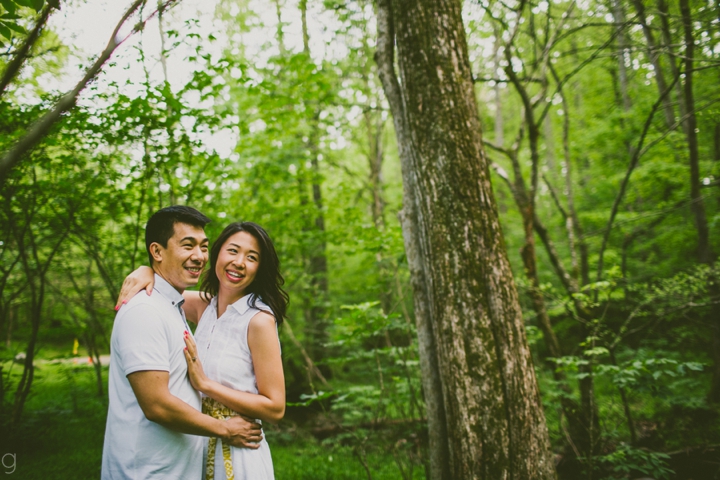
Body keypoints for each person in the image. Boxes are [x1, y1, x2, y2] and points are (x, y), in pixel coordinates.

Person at [117, 221, 288, 480]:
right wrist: (146, 271)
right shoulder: (203, 305)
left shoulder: (259, 320)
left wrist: (205, 385)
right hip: (198, 445)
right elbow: (164, 288)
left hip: (239, 447)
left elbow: (276, 408)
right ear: (217, 254)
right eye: (232, 251)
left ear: (259, 268)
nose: (239, 262)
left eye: (252, 257)